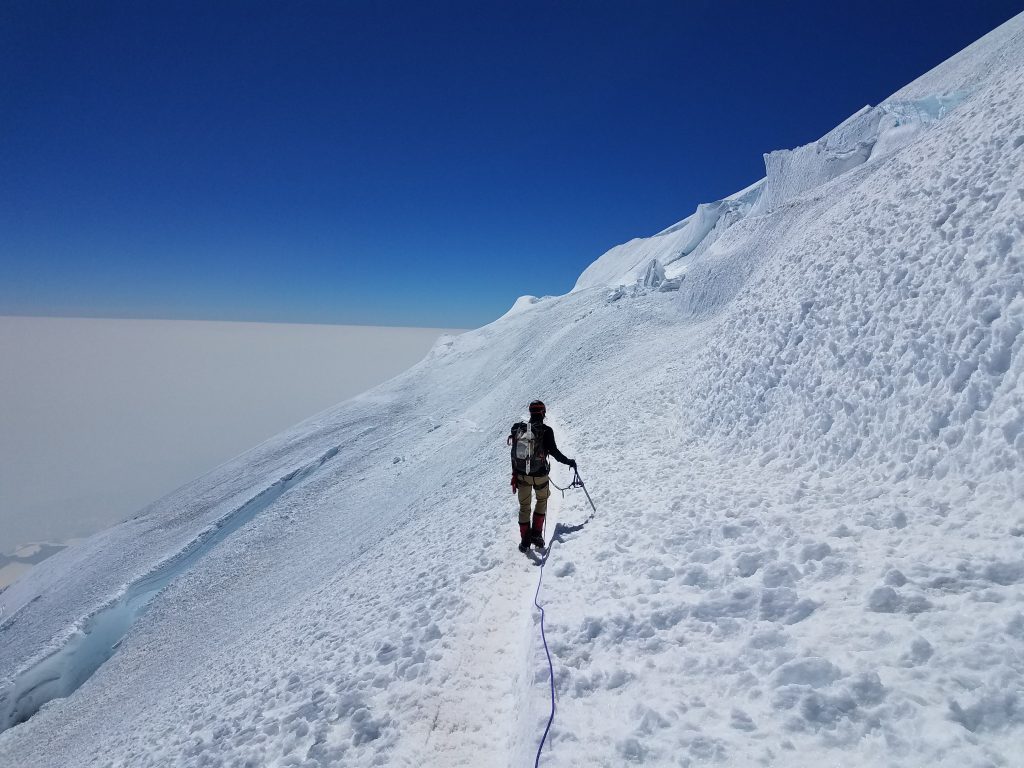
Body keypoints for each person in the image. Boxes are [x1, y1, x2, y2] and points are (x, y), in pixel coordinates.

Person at [508, 400, 576, 552]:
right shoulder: (546, 431)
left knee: (524, 507)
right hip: (540, 475)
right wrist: (569, 462)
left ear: (530, 413)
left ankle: (525, 541)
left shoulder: (518, 429)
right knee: (542, 500)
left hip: (522, 475)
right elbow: (555, 453)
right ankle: (537, 535)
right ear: (543, 413)